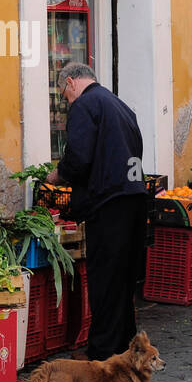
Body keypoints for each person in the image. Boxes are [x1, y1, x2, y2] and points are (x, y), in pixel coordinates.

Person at [47, 61, 145, 360]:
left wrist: (58, 175)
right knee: (123, 279)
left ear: (73, 82)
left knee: (104, 279)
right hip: (133, 197)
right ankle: (125, 345)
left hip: (108, 201)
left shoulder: (85, 105)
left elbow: (79, 156)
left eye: (65, 94)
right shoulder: (119, 105)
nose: (67, 100)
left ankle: (102, 352)